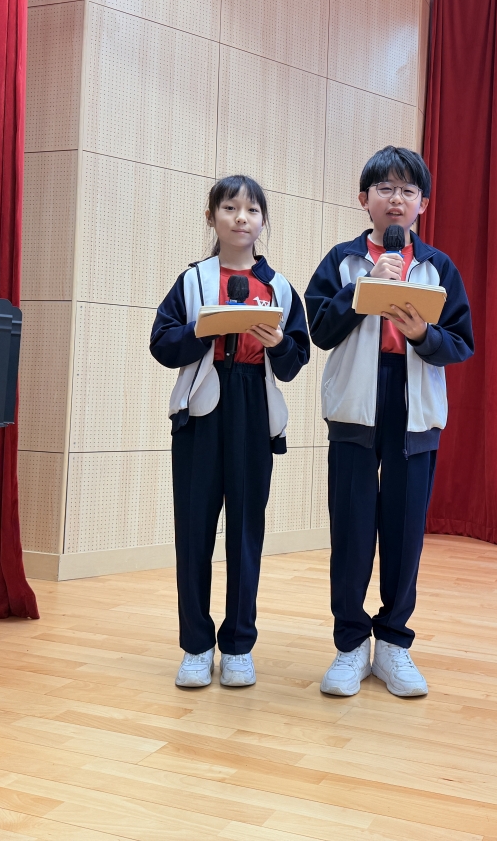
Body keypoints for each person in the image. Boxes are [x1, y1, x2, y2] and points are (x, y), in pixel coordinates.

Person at [305, 146, 474, 698]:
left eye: (407, 190)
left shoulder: (438, 267)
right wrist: (363, 289)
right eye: (385, 189)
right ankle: (351, 644)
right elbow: (319, 330)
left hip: (413, 406)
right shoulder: (342, 260)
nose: (395, 199)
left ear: (423, 204)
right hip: (356, 407)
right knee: (352, 531)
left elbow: (461, 343)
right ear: (364, 199)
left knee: (404, 532)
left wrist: (423, 334)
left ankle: (395, 644)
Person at [149, 175, 310, 688]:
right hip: (200, 412)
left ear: (263, 222)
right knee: (193, 530)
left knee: (245, 531)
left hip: (252, 409)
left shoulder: (280, 287)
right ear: (211, 217)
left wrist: (279, 342)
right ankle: (196, 645)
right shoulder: (192, 281)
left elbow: (296, 360)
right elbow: (161, 343)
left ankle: (239, 645)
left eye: (252, 210)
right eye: (230, 207)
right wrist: (201, 329)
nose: (241, 218)